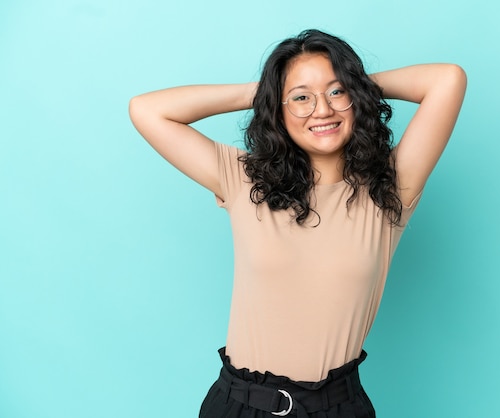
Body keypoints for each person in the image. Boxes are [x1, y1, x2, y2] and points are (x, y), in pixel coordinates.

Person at [129, 29, 466, 418]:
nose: (322, 110)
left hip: (336, 407)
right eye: (301, 98)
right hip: (238, 404)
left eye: (337, 93)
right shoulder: (243, 180)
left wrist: (352, 83)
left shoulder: (389, 188)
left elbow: (448, 79)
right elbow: (147, 110)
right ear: (278, 108)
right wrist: (270, 91)